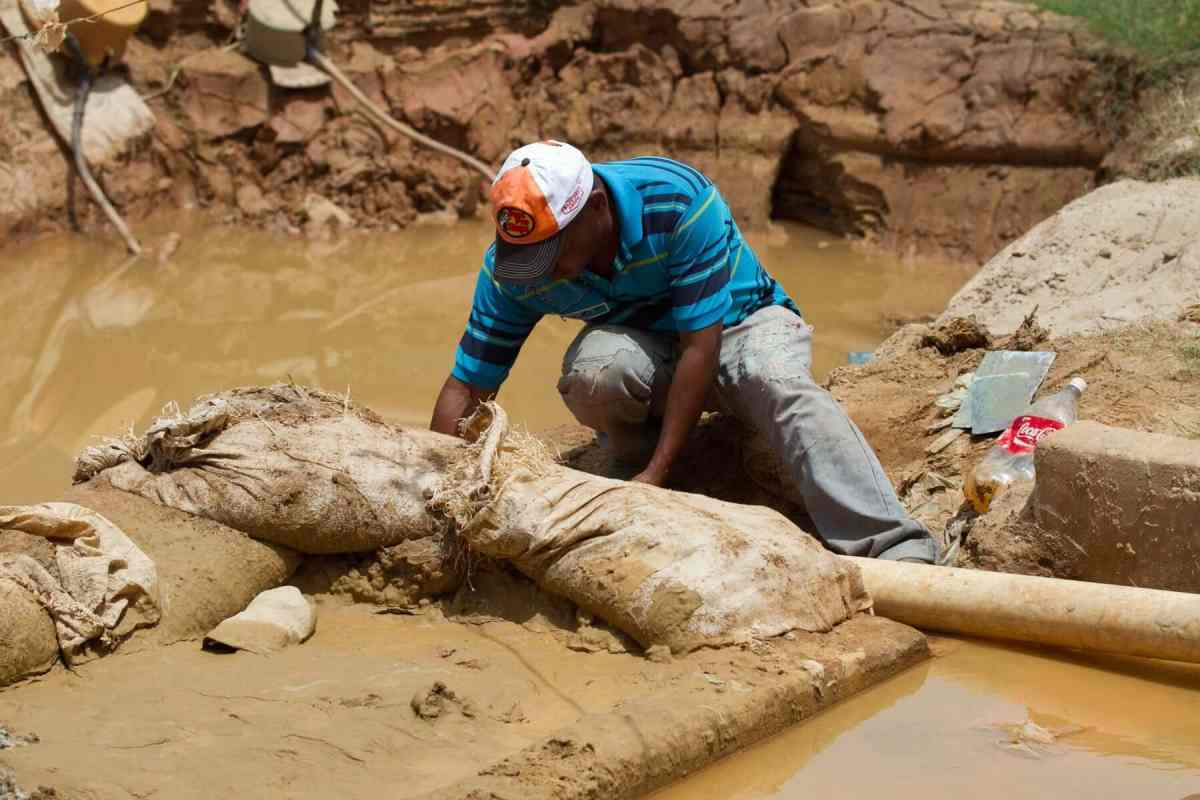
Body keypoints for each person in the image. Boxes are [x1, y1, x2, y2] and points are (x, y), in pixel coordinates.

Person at [431, 140, 938, 563]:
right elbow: (469, 383)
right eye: (526, 258)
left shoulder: (675, 199)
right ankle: (645, 461)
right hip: (649, 345)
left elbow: (702, 345)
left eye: (553, 252)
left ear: (596, 210)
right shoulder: (517, 267)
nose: (542, 271)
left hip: (742, 323)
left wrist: (658, 475)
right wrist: (435, 491)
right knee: (596, 374)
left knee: (775, 381)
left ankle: (895, 545)